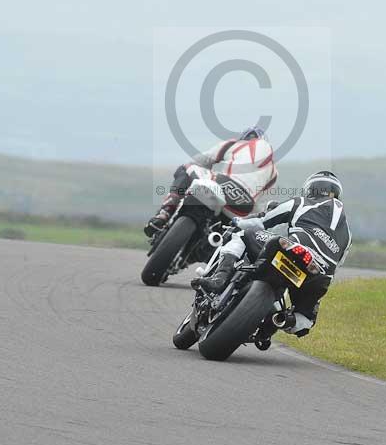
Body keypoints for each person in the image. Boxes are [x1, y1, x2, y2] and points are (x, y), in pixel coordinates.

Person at [195, 170, 352, 337]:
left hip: (294, 249)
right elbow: (337, 266)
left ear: (310, 189)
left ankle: (220, 278)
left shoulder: (301, 202)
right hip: (318, 273)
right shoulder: (348, 235)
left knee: (241, 235)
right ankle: (279, 321)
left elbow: (263, 222)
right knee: (304, 321)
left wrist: (238, 221)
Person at [144, 127, 277, 236]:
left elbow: (201, 160)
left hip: (222, 186)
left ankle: (165, 212)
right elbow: (259, 206)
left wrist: (206, 176)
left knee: (186, 168)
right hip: (243, 207)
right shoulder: (273, 173)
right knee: (230, 237)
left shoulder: (234, 144)